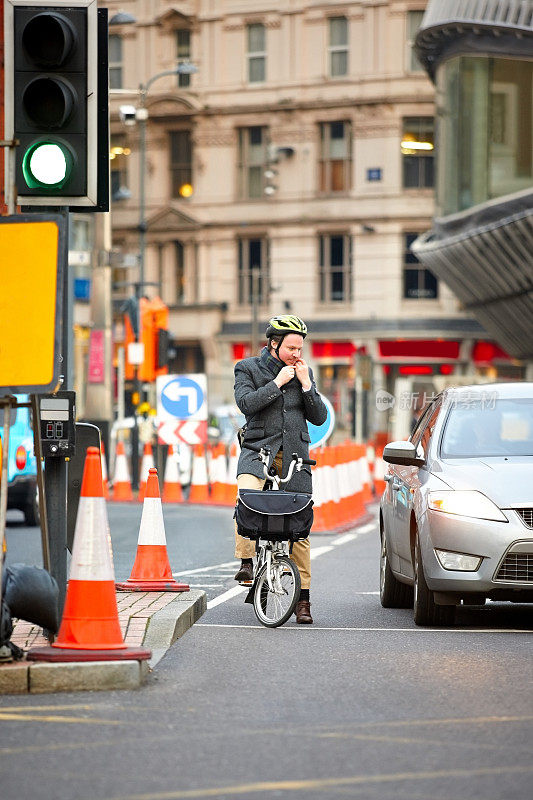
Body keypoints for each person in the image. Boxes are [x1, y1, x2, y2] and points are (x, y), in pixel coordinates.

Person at [233, 315, 327, 624]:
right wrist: (278, 383)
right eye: (291, 348)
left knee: (299, 528)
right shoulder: (248, 368)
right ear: (274, 344)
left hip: (295, 455)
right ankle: (247, 560)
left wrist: (307, 385)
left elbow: (318, 417)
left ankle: (303, 600)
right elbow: (246, 403)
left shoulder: (304, 372)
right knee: (247, 494)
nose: (297, 354)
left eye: (300, 348)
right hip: (259, 449)